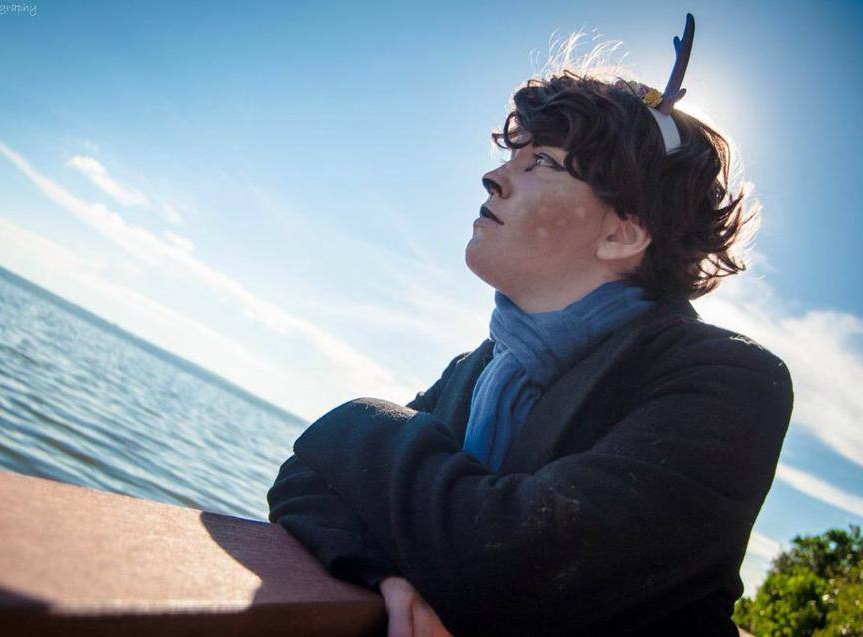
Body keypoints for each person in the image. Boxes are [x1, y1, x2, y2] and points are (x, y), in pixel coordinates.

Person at [268, 14, 794, 636]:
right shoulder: (481, 367)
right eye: (512, 155)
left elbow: (517, 567)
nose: (495, 176)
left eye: (542, 160)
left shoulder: (730, 382)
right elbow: (303, 482)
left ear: (622, 234)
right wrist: (384, 573)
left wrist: (354, 418)